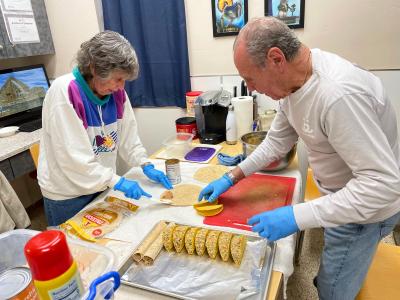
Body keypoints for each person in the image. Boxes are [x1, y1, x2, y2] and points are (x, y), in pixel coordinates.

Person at [198, 17, 400, 299]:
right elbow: (276, 142)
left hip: (365, 211)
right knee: (334, 268)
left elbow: (382, 185)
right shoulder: (294, 85)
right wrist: (232, 176)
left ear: (276, 58)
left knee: (334, 290)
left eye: (250, 78)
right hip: (339, 199)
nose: (251, 88)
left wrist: (297, 215)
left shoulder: (338, 95)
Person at [38, 31, 172, 226]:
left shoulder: (117, 95)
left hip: (100, 184)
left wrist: (145, 164)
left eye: (124, 80)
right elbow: (74, 160)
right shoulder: (64, 93)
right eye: (117, 79)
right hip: (67, 193)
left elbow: (128, 139)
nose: (120, 86)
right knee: (74, 249)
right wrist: (118, 182)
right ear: (94, 68)